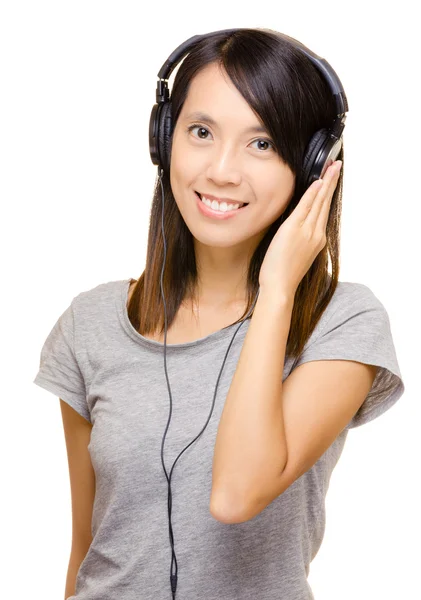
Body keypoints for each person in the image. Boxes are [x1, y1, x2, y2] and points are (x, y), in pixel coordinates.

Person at [33, 28, 405, 600]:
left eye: (261, 144)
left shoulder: (342, 321)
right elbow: (86, 546)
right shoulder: (91, 325)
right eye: (201, 132)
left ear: (312, 166)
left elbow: (236, 493)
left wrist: (277, 289)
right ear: (164, 138)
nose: (222, 171)